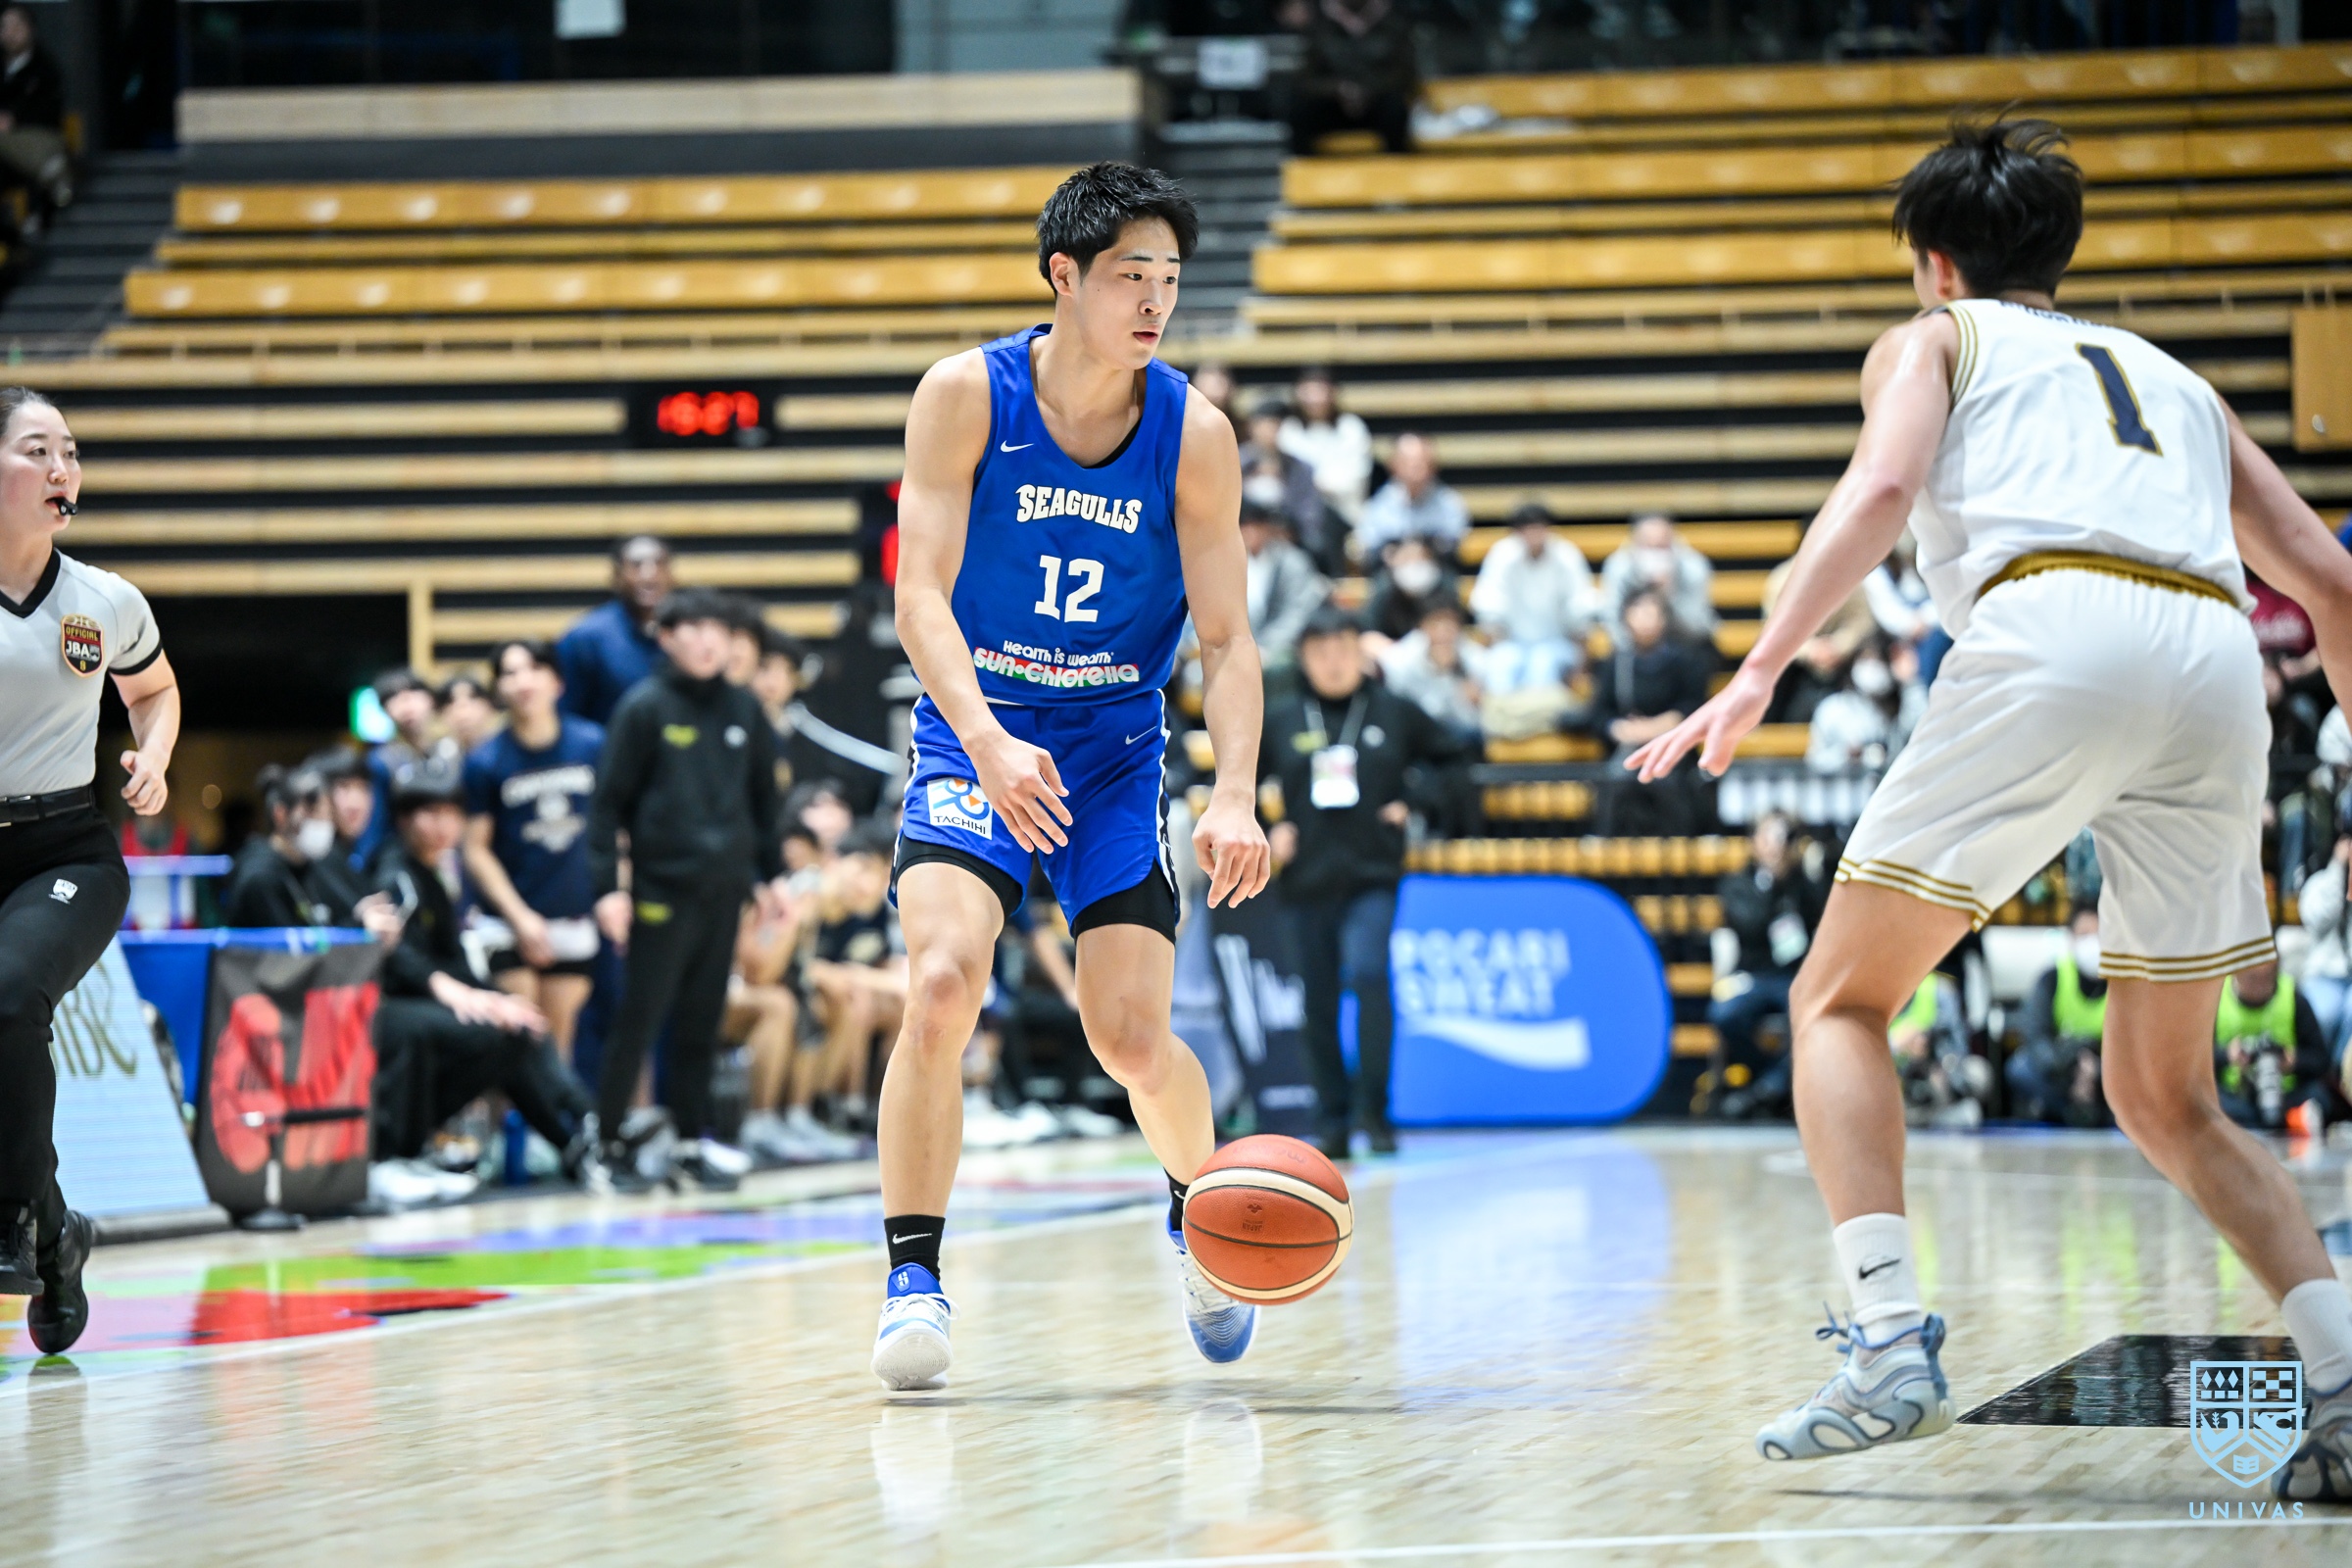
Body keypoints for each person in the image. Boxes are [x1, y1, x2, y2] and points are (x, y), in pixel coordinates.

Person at [1626, 118, 2352, 1493]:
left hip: (2054, 626)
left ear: (1935, 263)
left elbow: (1884, 485)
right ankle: (2345, 1375)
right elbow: (2329, 581)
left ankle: (1888, 1343)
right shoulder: (2176, 381)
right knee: (2167, 1094)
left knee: (1839, 1001)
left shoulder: (1936, 340)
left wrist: (1760, 666)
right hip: (2215, 663)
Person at [877, 162, 1272, 1392]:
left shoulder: (1193, 433)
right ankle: (912, 1278)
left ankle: (1199, 1218)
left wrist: (1234, 792)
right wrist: (987, 739)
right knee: (942, 982)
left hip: (1111, 754)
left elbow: (1228, 640)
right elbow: (918, 595)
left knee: (1133, 1038)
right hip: (977, 733)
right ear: (1065, 275)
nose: (1156, 300)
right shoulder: (963, 395)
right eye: (1130, 276)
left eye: (1170, 278)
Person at [0, 386, 179, 1353]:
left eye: (69, 451)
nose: (61, 467)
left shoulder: (105, 600)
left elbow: (154, 690)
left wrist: (155, 757)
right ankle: (58, 1230)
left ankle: (12, 1218)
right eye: (37, 449)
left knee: (8, 991)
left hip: (64, 847)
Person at [587, 588, 790, 1193]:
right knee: (641, 1017)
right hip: (659, 890)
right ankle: (607, 1142)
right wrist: (608, 889)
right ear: (666, 637)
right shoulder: (644, 708)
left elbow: (763, 802)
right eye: (692, 629)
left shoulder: (744, 710)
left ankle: (687, 1141)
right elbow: (607, 807)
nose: (706, 641)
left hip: (724, 891)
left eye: (717, 630)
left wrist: (771, 876)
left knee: (702, 1021)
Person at [1263, 608, 1471, 1158]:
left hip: (1372, 875)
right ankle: (1332, 1120)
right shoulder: (1281, 718)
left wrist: (1415, 800)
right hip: (1305, 880)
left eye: (1342, 648)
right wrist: (1267, 827)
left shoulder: (1393, 711)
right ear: (1303, 658)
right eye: (1319, 651)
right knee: (1318, 1001)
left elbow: (1459, 756)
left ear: (1360, 652)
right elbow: (1231, 784)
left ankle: (1375, 1114)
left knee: (1371, 976)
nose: (1332, 661)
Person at [370, 765, 597, 1196]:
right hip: (398, 1009)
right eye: (428, 813)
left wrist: (494, 999)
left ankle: (581, 1133)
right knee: (509, 1034)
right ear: (403, 819)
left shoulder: (434, 873)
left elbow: (452, 960)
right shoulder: (396, 875)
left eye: (450, 813)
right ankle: (579, 1134)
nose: (441, 825)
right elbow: (396, 956)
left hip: (431, 1004)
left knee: (522, 1019)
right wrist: (461, 994)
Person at [462, 639, 605, 1067]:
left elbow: (613, 829)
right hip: (506, 922)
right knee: (515, 1045)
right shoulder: (485, 760)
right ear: (498, 689)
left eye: (533, 669)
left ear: (557, 682)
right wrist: (520, 917)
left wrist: (618, 890)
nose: (523, 681)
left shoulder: (592, 744)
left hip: (573, 917)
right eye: (509, 673)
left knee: (557, 1050)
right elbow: (476, 850)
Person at [1708, 811, 1827, 1121]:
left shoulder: (1800, 882)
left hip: (1792, 977)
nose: (1775, 845)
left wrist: (1799, 874)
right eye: (1768, 836)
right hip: (1752, 976)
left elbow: (1821, 916)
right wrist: (1773, 882)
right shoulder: (1737, 883)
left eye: (1781, 837)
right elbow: (1752, 924)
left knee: (1808, 1017)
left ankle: (1765, 1090)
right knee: (1724, 1014)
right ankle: (1770, 1081)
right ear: (1754, 841)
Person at [1590, 588, 1711, 834]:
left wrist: (1657, 728)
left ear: (1664, 618)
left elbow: (1694, 707)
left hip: (1674, 752)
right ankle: (1603, 843)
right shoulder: (1616, 663)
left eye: (1651, 612)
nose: (1645, 619)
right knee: (1615, 781)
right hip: (1628, 751)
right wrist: (1620, 729)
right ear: (1626, 619)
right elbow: (1599, 714)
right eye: (1638, 611)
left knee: (1670, 784)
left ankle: (1681, 844)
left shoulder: (1685, 660)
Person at [751, 624, 899, 816]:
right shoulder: (744, 726)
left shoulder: (807, 725)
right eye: (764, 668)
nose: (773, 681)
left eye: (785, 670)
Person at [1470, 501, 1594, 693]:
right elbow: (1488, 603)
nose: (1534, 535)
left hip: (1556, 642)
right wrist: (1492, 643)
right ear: (1517, 532)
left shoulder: (1566, 556)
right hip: (1510, 642)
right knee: (1499, 669)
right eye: (1527, 529)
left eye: (1538, 528)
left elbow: (1581, 607)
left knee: (1541, 668)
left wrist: (1581, 662)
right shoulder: (1502, 555)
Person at [2004, 906, 2111, 1126]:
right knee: (2020, 1069)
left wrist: (2095, 1070)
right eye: (2085, 935)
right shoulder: (2052, 978)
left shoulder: (2122, 985)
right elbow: (2036, 1039)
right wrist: (2073, 1063)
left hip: (2105, 1073)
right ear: (2071, 938)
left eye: (2099, 935)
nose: (2093, 943)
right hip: (2062, 1071)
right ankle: (2067, 1113)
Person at [558, 534, 671, 725]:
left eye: (658, 564)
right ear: (617, 576)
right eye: (637, 565)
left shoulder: (687, 635)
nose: (649, 575)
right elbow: (566, 717)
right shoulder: (585, 638)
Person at [2211, 956, 2332, 1133]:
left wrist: (2292, 1060)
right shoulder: (2216, 999)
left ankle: (2289, 1119)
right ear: (2236, 973)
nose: (2260, 985)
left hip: (2286, 1093)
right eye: (2253, 978)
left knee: (2319, 1096)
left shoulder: (2292, 996)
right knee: (2211, 1101)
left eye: (2267, 977)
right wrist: (2228, 1055)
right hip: (2236, 1095)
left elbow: (2321, 1060)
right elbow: (2195, 1061)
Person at [221, 763, 349, 928]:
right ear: (281, 815)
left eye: (328, 814)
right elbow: (289, 941)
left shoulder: (304, 866)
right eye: (313, 812)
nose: (323, 824)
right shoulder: (261, 877)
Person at [1239, 402, 1338, 573]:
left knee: (1316, 546)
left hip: (1288, 538)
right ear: (1252, 427)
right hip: (1243, 537)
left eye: (1276, 425)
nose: (1271, 431)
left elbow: (1310, 517)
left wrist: (1284, 528)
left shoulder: (1301, 469)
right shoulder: (1235, 463)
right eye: (1266, 424)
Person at [1277, 368, 1373, 536]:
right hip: (1298, 517)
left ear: (1332, 392)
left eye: (1320, 391)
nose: (1315, 399)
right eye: (1308, 392)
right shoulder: (1289, 430)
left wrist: (1316, 485)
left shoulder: (1351, 428)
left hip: (1345, 514)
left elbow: (1355, 478)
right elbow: (1288, 479)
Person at [1377, 596, 1485, 740]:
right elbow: (1394, 709)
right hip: (1415, 734)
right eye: (1435, 624)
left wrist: (1473, 702)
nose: (1442, 633)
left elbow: (1478, 723)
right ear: (1421, 626)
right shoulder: (1400, 661)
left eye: (1449, 625)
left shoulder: (1474, 658)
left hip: (1462, 735)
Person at [1241, 499, 1328, 672]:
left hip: (1281, 648)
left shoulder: (1293, 562)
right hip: (1236, 647)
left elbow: (1298, 612)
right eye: (1243, 526)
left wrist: (1265, 647)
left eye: (1255, 526)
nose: (1250, 532)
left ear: (1267, 528)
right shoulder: (1225, 564)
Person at [0, 6, 70, 222]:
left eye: (17, 26)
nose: (10, 33)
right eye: (5, 27)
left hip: (36, 136)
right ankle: (50, 171)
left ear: (30, 29)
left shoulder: (45, 68)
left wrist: (14, 119)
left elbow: (49, 110)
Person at [1600, 513, 1716, 642]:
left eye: (1661, 546)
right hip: (1634, 647)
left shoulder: (1693, 567)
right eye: (1648, 545)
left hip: (1686, 644)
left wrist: (1668, 592)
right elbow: (1612, 622)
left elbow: (1697, 627)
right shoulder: (1619, 566)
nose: (1654, 553)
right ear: (1635, 542)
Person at [1354, 433, 1469, 560]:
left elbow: (1457, 543)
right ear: (1393, 465)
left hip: (1436, 566)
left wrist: (1426, 552)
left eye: (1421, 462)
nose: (1416, 469)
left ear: (1433, 466)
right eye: (1409, 463)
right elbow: (1368, 545)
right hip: (1391, 568)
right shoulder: (1377, 506)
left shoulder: (1450, 503)